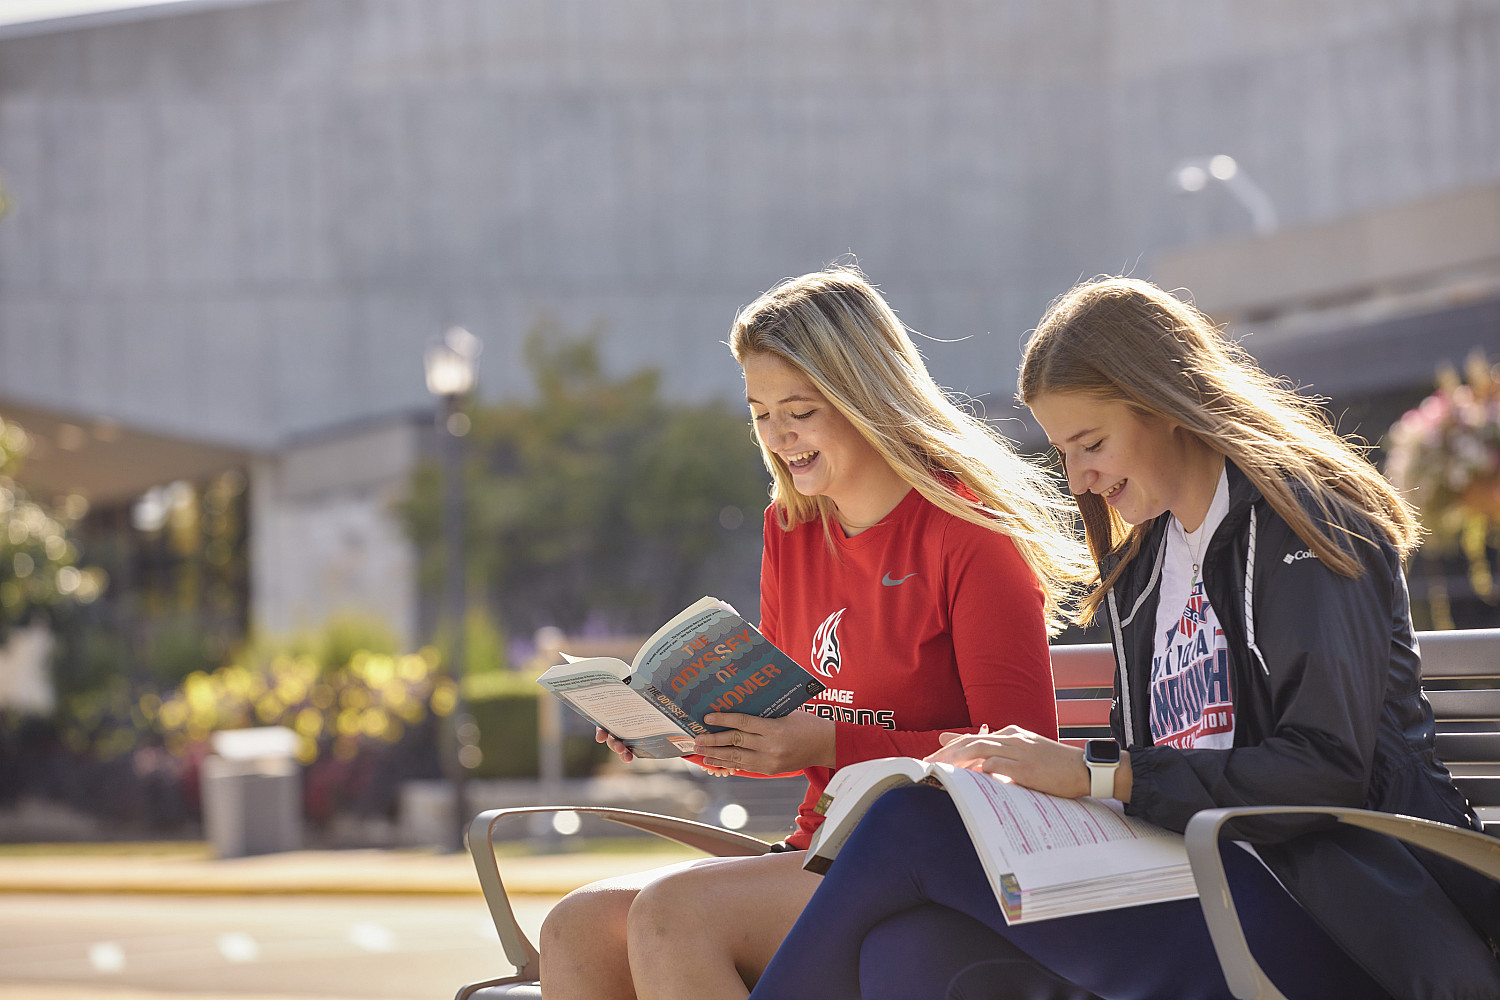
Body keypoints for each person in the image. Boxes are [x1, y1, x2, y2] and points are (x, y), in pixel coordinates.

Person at [745, 276, 1500, 1000]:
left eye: (1091, 443)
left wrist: (1100, 777)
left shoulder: (1307, 530)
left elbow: (1326, 771)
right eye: (1064, 453)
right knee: (905, 956)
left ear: (1161, 403)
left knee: (909, 823)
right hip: (1189, 877)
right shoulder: (1146, 564)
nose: (1077, 478)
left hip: (1329, 908)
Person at [538, 265, 1093, 1000]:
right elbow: (790, 727)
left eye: (799, 409)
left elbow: (1021, 762)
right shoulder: (790, 529)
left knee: (675, 915)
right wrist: (686, 731)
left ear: (865, 397)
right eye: (761, 411)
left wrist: (831, 745)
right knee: (576, 924)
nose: (780, 435)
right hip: (817, 850)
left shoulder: (971, 538)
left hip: (933, 864)